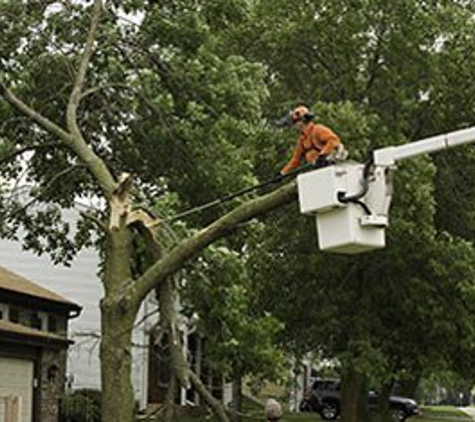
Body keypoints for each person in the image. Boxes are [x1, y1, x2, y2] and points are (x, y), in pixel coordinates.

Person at [277, 105, 347, 175]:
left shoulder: (318, 129)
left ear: (301, 121)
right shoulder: (302, 139)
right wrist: (283, 172)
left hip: (334, 163)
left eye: (295, 122)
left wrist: (323, 155)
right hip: (320, 168)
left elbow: (333, 140)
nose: (295, 125)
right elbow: (296, 160)